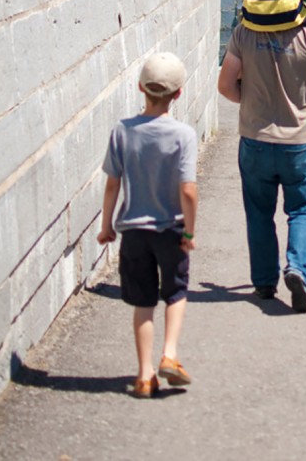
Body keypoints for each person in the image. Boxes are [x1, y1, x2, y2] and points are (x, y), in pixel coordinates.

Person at [97, 52, 198, 398]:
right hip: (171, 229)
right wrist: (189, 231)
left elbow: (113, 183)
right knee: (176, 292)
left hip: (134, 233)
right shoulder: (183, 135)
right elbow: (188, 190)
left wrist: (106, 225)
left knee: (143, 302)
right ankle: (170, 354)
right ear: (179, 94)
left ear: (140, 88)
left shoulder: (121, 132)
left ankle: (144, 375)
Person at [218, 20, 306, 312]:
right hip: (299, 141)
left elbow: (225, 85)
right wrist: (305, 103)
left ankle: (264, 282)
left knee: (259, 213)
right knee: (304, 209)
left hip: (255, 139)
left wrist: (247, 101)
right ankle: (297, 269)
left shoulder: (244, 31)